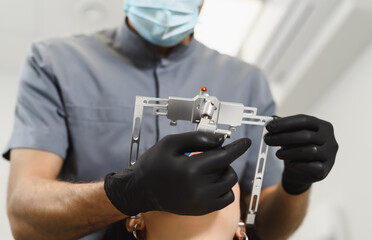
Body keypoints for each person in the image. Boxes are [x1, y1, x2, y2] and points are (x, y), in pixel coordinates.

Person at [3, 0, 339, 239]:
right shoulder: (54, 63)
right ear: (137, 225)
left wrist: (296, 184)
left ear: (240, 229)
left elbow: (266, 225)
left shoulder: (247, 82)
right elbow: (24, 216)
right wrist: (126, 193)